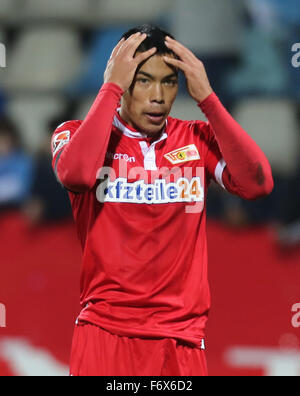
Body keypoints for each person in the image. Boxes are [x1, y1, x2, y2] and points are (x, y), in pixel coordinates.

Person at [51, 24, 274, 376]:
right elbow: (75, 175)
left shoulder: (195, 139)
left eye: (169, 81)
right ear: (123, 80)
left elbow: (257, 183)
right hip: (105, 334)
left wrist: (209, 101)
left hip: (180, 340)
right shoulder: (76, 135)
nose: (158, 95)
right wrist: (109, 89)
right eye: (143, 81)